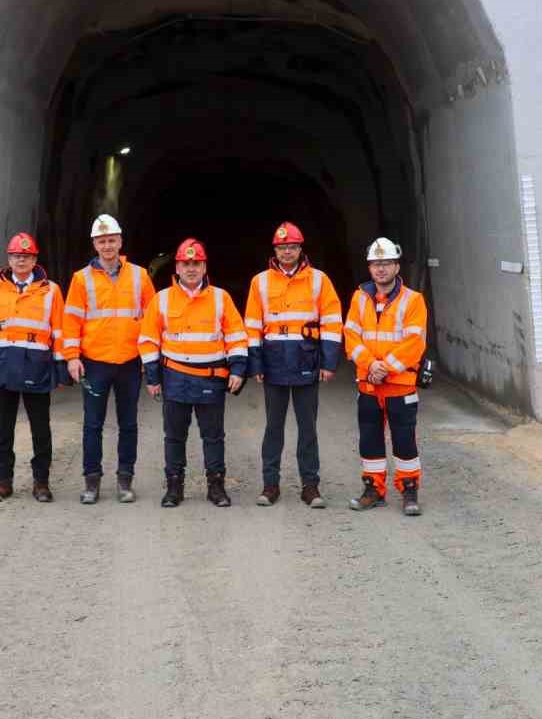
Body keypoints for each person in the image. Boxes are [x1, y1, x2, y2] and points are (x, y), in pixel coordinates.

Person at [137, 238, 248, 508]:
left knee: (213, 436)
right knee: (174, 436)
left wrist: (238, 369)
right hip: (175, 378)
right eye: (185, 264)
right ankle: (174, 487)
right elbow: (148, 340)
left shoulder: (221, 298)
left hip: (211, 378)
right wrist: (152, 378)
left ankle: (216, 487)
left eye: (195, 263)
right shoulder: (161, 300)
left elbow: (236, 336)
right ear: (176, 266)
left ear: (204, 266)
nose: (190, 268)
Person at [244, 221, 343, 508]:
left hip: (306, 361)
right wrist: (256, 364)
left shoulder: (319, 280)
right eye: (282, 247)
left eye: (292, 247)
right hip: (274, 363)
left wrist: (329, 362)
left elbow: (333, 321)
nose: (287, 252)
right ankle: (270, 485)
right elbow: (252, 325)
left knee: (307, 428)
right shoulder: (259, 282)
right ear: (275, 250)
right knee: (273, 428)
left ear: (300, 249)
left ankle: (310, 486)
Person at [0, 232, 67, 503]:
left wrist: (60, 370)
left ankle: (41, 483)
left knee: (41, 429)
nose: (21, 260)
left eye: (26, 256)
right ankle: (3, 482)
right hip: (4, 367)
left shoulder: (51, 291)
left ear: (35, 259)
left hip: (38, 368)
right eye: (16, 256)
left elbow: (60, 332)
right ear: (9, 259)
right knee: (4, 429)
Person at [62, 213, 151, 504]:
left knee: (128, 424)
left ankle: (125, 481)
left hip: (129, 361)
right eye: (102, 241)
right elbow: (72, 321)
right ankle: (92, 483)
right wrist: (72, 357)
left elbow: (152, 318)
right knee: (93, 425)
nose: (107, 245)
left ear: (120, 241)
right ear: (94, 244)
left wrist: (150, 359)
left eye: (112, 240)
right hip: (95, 362)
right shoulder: (80, 279)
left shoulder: (139, 275)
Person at [341, 237, 428, 516]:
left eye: (386, 263)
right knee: (369, 440)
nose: (380, 269)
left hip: (399, 385)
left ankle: (409, 490)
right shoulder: (359, 297)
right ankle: (373, 490)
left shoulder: (413, 300)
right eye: (376, 264)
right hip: (368, 384)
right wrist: (370, 365)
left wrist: (384, 367)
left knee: (405, 440)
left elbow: (414, 343)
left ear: (396, 266)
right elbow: (350, 336)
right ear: (369, 267)